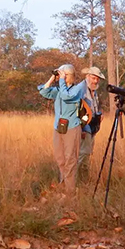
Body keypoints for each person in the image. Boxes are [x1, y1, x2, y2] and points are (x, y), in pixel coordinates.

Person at [38, 64, 85, 193]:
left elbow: (66, 96)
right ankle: (63, 185)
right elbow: (43, 91)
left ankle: (70, 191)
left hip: (72, 128)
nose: (59, 77)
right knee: (60, 158)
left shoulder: (77, 90)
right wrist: (53, 78)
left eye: (62, 75)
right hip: (58, 128)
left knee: (70, 159)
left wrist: (63, 80)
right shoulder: (58, 90)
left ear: (69, 76)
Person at [77, 67, 105, 183]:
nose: (95, 81)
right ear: (87, 76)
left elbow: (94, 107)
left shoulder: (94, 90)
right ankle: (72, 180)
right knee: (83, 154)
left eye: (97, 79)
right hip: (84, 126)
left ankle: (84, 180)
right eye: (94, 78)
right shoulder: (80, 89)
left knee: (87, 154)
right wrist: (82, 128)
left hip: (92, 126)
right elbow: (77, 109)